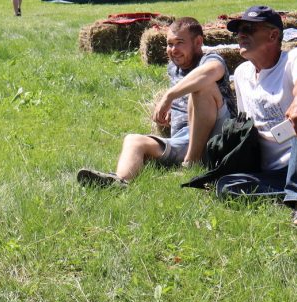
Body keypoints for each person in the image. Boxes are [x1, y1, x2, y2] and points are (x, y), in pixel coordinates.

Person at [216, 5, 297, 226]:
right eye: (238, 30)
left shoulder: (295, 57)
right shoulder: (240, 74)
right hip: (277, 171)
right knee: (226, 186)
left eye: (248, 29)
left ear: (273, 35)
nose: (240, 35)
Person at [77, 17, 231, 187]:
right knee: (133, 140)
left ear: (198, 42)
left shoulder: (210, 59)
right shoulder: (174, 68)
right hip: (183, 139)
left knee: (201, 88)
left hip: (217, 137)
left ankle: (191, 165)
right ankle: (119, 182)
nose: (174, 49)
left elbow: (213, 71)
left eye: (180, 43)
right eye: (169, 44)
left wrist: (169, 96)